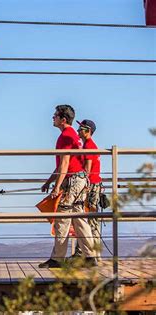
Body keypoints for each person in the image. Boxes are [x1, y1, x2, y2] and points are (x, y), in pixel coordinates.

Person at [38, 105, 97, 268]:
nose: (53, 117)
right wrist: (50, 181)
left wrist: (56, 187)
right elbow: (65, 164)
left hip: (72, 180)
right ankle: (90, 256)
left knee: (62, 216)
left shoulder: (65, 136)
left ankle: (58, 258)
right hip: (79, 179)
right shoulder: (72, 135)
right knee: (79, 217)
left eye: (55, 115)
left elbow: (64, 165)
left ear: (63, 119)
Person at [72, 119, 103, 260]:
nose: (78, 131)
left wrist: (82, 185)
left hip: (91, 186)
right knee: (88, 220)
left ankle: (91, 255)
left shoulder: (89, 146)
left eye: (81, 129)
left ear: (88, 130)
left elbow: (88, 169)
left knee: (89, 220)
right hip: (93, 185)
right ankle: (89, 253)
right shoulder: (87, 145)